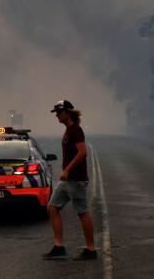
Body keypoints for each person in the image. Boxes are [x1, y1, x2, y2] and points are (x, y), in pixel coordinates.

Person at [42, 100, 97, 261]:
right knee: (52, 207)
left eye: (59, 113)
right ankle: (59, 247)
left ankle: (91, 249)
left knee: (82, 212)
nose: (57, 116)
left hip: (76, 179)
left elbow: (83, 152)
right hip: (67, 181)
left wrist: (67, 170)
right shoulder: (69, 130)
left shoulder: (75, 130)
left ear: (67, 112)